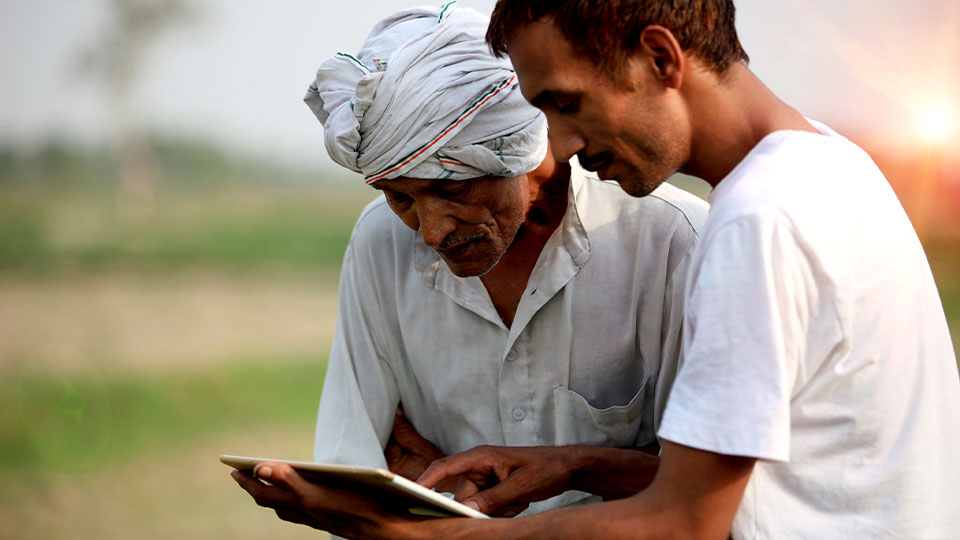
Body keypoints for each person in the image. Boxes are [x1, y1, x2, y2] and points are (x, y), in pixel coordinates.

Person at [233, 0, 960, 538]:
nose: (559, 144)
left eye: (564, 104)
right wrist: (577, 465)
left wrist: (440, 534)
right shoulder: (829, 165)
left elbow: (683, 522)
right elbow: (761, 479)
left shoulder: (754, 224)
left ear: (661, 57)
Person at [241, 0, 706, 520]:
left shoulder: (672, 241)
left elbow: (709, 490)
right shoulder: (379, 241)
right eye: (402, 198)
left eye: (452, 187)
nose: (431, 229)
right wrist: (337, 501)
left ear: (521, 147)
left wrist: (568, 468)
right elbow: (355, 458)